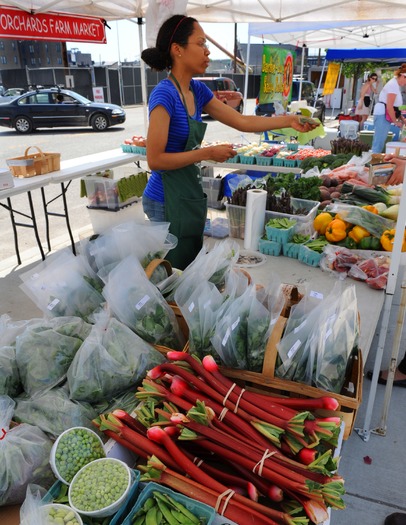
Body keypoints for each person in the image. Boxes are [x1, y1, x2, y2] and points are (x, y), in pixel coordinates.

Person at [140, 14, 319, 270]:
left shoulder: (198, 91)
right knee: (170, 273)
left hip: (187, 195)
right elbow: (155, 160)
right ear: (177, 50)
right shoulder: (164, 95)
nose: (207, 51)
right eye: (200, 43)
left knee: (189, 267)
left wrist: (289, 120)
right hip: (164, 200)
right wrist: (206, 153)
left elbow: (243, 122)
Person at [371, 64, 406, 153]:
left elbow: (395, 108)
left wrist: (402, 119)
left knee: (380, 141)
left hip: (384, 114)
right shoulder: (393, 85)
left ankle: (374, 161)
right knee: (378, 142)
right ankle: (372, 163)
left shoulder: (395, 85)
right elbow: (390, 106)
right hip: (382, 114)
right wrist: (395, 122)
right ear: (402, 76)